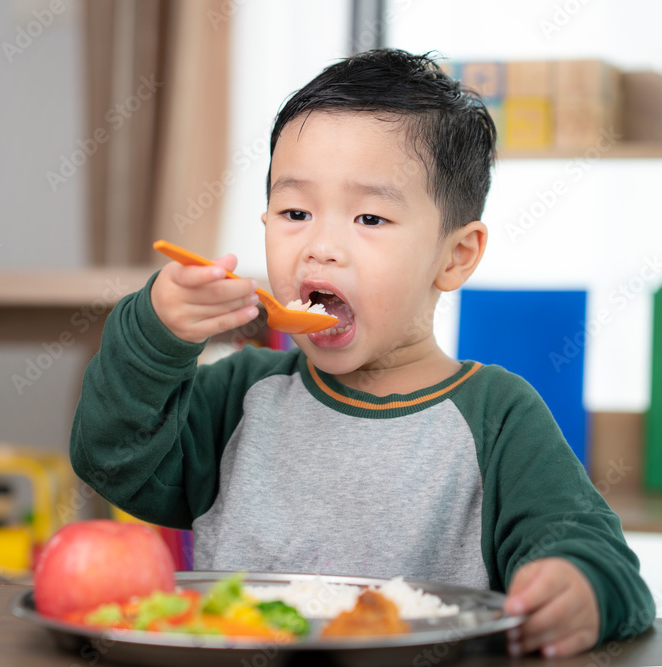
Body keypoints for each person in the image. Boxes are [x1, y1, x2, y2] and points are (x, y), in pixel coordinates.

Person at [69, 49, 655, 658]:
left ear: (454, 256)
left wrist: (578, 588)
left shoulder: (499, 419)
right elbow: (110, 459)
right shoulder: (240, 395)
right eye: (295, 212)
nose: (320, 246)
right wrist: (154, 336)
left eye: (370, 217)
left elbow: (601, 559)